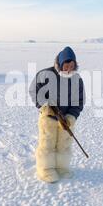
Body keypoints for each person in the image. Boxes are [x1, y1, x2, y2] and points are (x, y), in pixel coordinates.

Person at [30, 47, 85, 183]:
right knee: (47, 143)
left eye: (72, 66)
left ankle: (61, 167)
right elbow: (34, 92)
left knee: (64, 144)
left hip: (66, 119)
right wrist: (45, 107)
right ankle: (45, 169)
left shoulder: (77, 79)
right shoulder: (45, 75)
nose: (68, 69)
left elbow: (79, 100)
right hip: (49, 118)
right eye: (66, 65)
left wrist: (71, 116)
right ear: (60, 64)